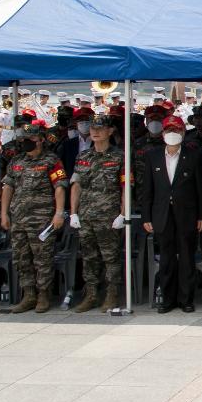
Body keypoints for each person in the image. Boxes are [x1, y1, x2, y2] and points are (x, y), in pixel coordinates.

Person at [138, 116, 202, 314]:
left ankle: (186, 299)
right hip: (162, 214)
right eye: (168, 130)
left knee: (186, 256)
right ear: (162, 134)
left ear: (183, 134)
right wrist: (146, 217)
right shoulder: (153, 156)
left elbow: (201, 188)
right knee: (166, 258)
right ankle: (167, 299)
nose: (172, 134)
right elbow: (147, 190)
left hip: (187, 214)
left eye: (176, 130)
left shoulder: (193, 155)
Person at [0, 123, 68, 314]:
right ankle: (28, 295)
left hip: (42, 218)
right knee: (21, 258)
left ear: (41, 140)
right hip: (19, 218)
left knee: (42, 259)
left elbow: (60, 187)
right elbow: (8, 187)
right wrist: (4, 213)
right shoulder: (16, 161)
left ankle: (43, 295)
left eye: (30, 139)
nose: (26, 143)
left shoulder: (51, 160)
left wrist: (59, 212)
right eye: (23, 140)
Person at [69, 114, 128, 313]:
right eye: (93, 128)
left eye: (100, 129)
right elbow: (76, 185)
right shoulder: (83, 156)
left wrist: (123, 213)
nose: (95, 132)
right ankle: (91, 295)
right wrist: (73, 212)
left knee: (110, 257)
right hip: (86, 214)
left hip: (108, 215)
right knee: (89, 256)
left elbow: (125, 187)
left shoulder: (120, 157)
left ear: (110, 131)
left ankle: (112, 294)